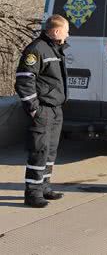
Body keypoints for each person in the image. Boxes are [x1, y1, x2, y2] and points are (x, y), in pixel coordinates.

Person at [15, 14, 70, 208]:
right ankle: (32, 193)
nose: (68, 35)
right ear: (56, 31)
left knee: (51, 150)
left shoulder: (55, 48)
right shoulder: (37, 50)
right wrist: (33, 108)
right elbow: (24, 79)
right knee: (39, 150)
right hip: (42, 110)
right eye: (66, 31)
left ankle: (44, 186)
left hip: (55, 109)